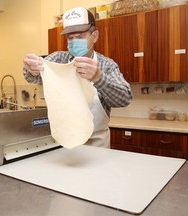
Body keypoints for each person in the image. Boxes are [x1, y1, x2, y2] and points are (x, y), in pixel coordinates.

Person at [22, 7, 132, 148]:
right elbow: (33, 78)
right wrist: (32, 68)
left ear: (95, 36)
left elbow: (125, 98)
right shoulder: (59, 58)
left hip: (97, 145)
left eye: (80, 37)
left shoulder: (106, 65)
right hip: (63, 143)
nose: (74, 42)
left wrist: (98, 77)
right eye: (70, 38)